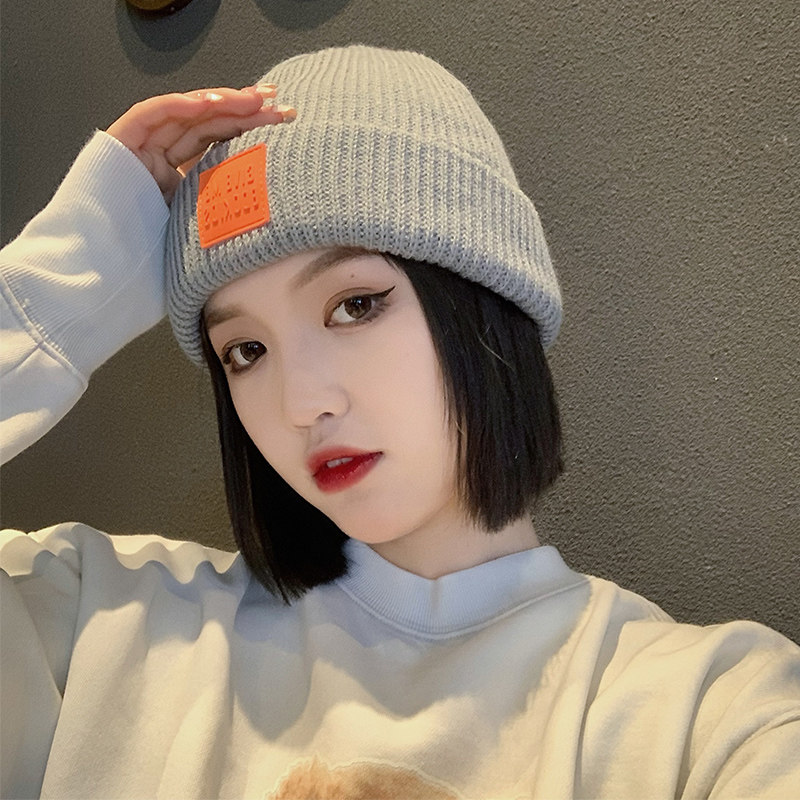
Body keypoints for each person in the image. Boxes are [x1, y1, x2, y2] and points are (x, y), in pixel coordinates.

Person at [1, 45, 798, 800]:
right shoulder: (89, 624)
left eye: (355, 305)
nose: (301, 402)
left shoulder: (713, 717)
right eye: (246, 351)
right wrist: (60, 284)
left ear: (482, 302)